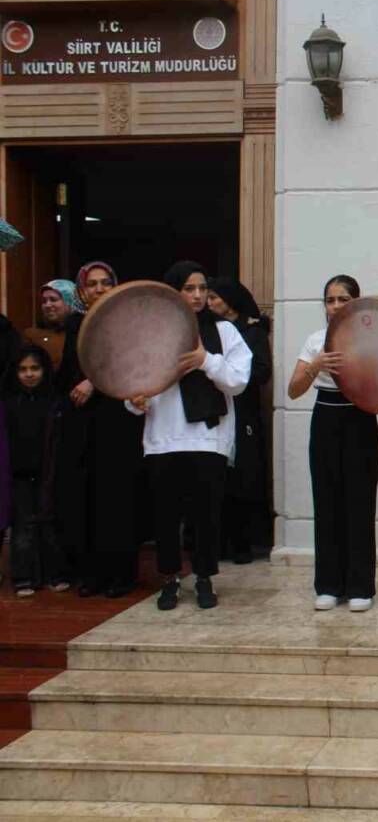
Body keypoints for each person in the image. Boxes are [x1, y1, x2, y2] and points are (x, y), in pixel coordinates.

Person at [126, 262, 252, 611]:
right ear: (173, 292)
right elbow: (135, 384)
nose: (197, 296)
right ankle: (168, 579)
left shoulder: (225, 332)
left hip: (208, 439)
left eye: (202, 289)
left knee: (206, 516)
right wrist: (135, 402)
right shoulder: (151, 334)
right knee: (165, 516)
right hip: (164, 438)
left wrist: (205, 360)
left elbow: (239, 381)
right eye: (189, 289)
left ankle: (204, 578)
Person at [288, 275, 378, 613]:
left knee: (359, 503)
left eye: (343, 299)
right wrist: (315, 365)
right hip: (324, 419)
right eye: (330, 300)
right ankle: (328, 585)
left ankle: (360, 587)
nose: (336, 306)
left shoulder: (372, 342)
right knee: (326, 502)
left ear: (355, 302)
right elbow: (293, 390)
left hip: (360, 422)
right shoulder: (314, 341)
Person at [55, 261, 145, 598]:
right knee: (86, 498)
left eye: (106, 282)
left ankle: (121, 575)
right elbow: (66, 373)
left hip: (118, 422)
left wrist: (93, 380)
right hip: (83, 424)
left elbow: (131, 367)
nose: (99, 289)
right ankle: (91, 574)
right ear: (81, 291)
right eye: (92, 284)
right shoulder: (76, 324)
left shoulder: (126, 323)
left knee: (117, 499)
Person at [208, 277, 273, 564]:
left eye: (214, 297)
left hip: (243, 411)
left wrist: (232, 371)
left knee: (244, 477)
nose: (209, 303)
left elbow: (261, 371)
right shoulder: (208, 331)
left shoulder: (252, 331)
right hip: (216, 410)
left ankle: (243, 543)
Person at [6, 346, 64, 597]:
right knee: (23, 529)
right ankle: (23, 578)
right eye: (23, 369)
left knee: (50, 526)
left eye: (35, 368)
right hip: (18, 475)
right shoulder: (8, 402)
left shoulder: (53, 401)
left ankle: (55, 574)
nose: (29, 374)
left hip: (48, 472)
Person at [24, 280, 82, 371]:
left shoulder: (83, 334)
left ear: (70, 301)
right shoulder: (32, 335)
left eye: (53, 299)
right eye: (44, 301)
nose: (47, 305)